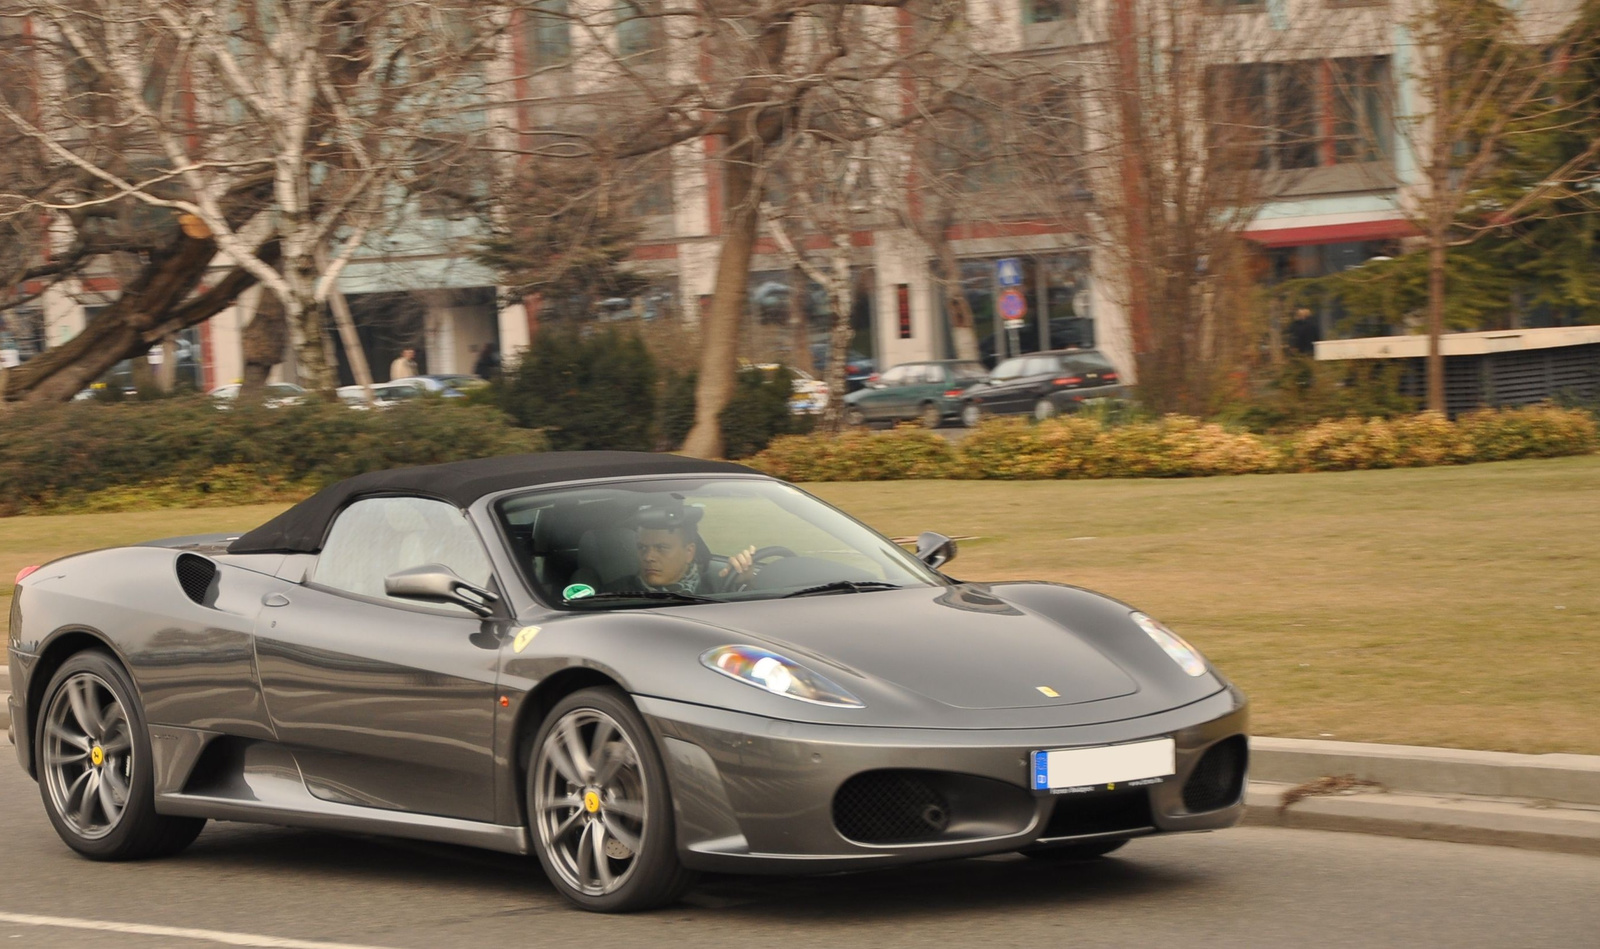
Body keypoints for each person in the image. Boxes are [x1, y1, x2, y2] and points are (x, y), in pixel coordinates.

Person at [610, 500, 755, 596]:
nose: (648, 557)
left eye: (661, 548)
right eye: (642, 548)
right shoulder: (615, 594)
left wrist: (743, 584)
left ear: (689, 552)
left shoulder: (716, 590)